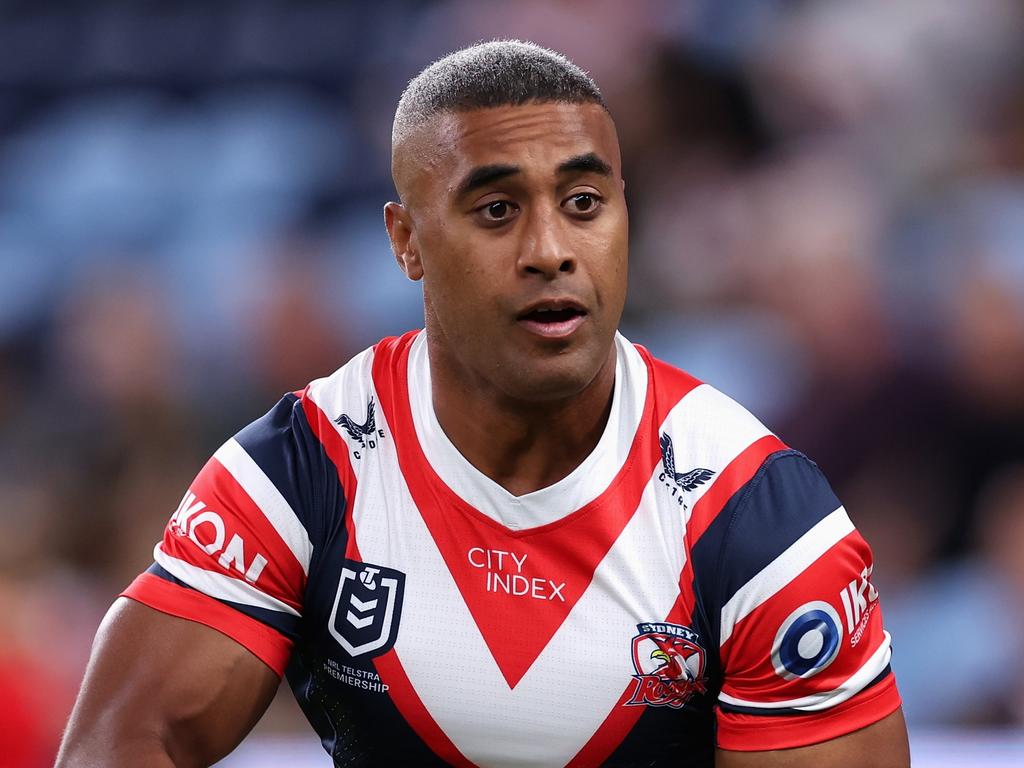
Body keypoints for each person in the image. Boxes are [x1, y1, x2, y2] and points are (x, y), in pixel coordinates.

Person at [56, 41, 910, 767]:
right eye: (496, 210)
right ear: (406, 241)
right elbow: (122, 742)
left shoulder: (760, 519)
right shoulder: (299, 470)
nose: (550, 251)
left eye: (584, 204)